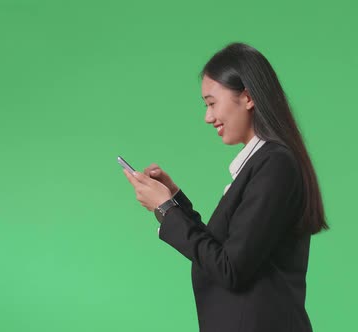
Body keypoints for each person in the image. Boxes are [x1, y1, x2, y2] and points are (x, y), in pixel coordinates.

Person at [123, 42, 329, 332]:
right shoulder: (263, 164)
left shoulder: (275, 165)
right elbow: (222, 251)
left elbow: (230, 269)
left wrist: (166, 209)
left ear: (247, 97)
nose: (208, 117)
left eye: (211, 103)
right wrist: (174, 201)